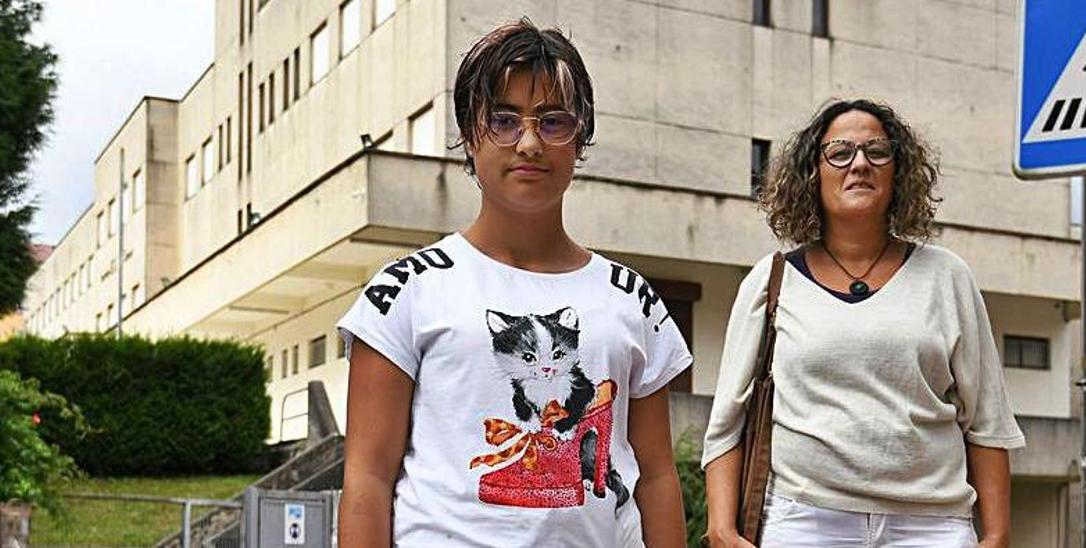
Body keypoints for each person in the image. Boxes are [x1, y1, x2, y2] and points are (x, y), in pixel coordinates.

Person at [336, 19, 689, 547]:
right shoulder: (405, 291)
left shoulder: (629, 297)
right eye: (503, 120)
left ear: (580, 137)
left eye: (553, 121)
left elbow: (658, 477)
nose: (528, 142)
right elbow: (366, 479)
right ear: (469, 135)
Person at [702, 99, 1025, 548]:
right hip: (803, 522)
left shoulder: (947, 276)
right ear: (813, 173)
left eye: (877, 151)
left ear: (899, 171)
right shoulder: (771, 280)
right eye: (840, 152)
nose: (859, 164)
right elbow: (727, 421)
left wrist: (996, 535)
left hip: (931, 526)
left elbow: (986, 421)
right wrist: (720, 528)